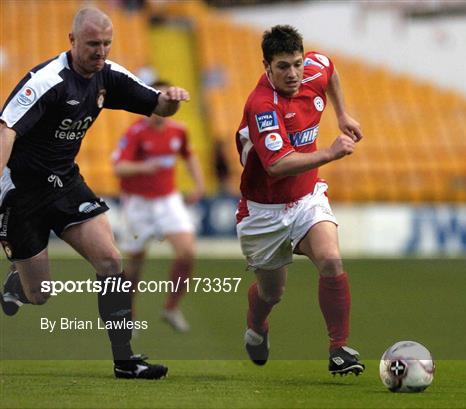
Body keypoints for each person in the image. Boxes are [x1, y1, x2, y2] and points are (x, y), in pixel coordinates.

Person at [0, 7, 190, 379]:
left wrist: (173, 98)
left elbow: (158, 105)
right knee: (39, 295)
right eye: (92, 44)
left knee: (110, 260)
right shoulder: (46, 80)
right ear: (72, 41)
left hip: (66, 183)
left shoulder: (109, 76)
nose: (100, 51)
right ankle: (18, 282)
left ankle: (126, 360)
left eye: (106, 43)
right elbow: (6, 129)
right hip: (22, 191)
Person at [235, 25, 364, 375]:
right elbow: (277, 165)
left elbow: (330, 68)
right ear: (267, 66)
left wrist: (342, 114)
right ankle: (257, 325)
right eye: (282, 67)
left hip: (306, 197)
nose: (293, 73)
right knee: (271, 294)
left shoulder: (314, 68)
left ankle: (339, 349)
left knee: (331, 260)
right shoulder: (262, 105)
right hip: (262, 211)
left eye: (296, 63)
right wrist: (330, 153)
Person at [113, 80, 205, 332]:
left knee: (187, 252)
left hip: (168, 200)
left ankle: (171, 308)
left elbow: (189, 155)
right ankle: (127, 314)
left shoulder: (179, 130)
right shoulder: (135, 133)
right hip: (138, 203)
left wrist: (199, 184)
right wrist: (144, 167)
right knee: (134, 264)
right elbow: (119, 167)